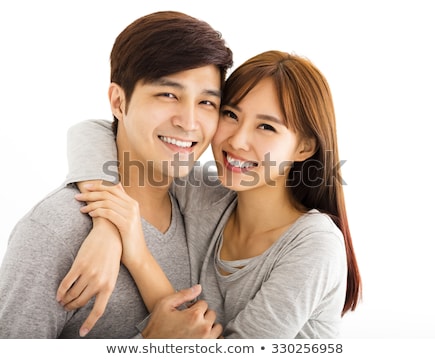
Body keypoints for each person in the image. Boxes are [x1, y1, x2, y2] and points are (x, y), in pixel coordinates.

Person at [61, 50, 362, 338]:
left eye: (266, 127)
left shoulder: (315, 245)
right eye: (231, 114)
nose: (238, 140)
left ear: (304, 147)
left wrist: (137, 254)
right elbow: (94, 131)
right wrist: (107, 224)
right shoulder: (206, 195)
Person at [0, 10, 233, 338]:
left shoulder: (206, 210)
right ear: (118, 102)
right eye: (168, 95)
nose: (189, 121)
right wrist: (149, 345)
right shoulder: (56, 230)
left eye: (207, 103)